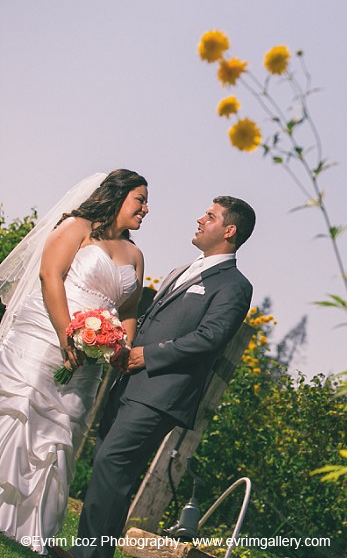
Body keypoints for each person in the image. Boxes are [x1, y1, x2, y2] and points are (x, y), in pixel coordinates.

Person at [65, 196, 254, 558]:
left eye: (210, 216)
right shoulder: (185, 269)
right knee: (110, 466)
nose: (200, 218)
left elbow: (211, 338)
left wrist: (147, 355)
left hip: (162, 392)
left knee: (111, 463)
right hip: (131, 384)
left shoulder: (234, 285)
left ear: (229, 231)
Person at [0, 170, 149, 555]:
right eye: (140, 199)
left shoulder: (135, 254)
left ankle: (28, 527)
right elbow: (50, 275)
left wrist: (120, 345)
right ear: (118, 196)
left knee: (59, 430)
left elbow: (129, 308)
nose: (146, 209)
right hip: (45, 334)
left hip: (91, 357)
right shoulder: (76, 227)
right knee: (20, 409)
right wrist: (68, 333)